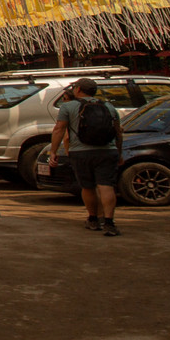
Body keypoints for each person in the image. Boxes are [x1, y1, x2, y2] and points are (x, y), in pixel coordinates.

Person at [51, 78, 124, 236]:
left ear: (78, 90)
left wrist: (53, 151)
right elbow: (118, 132)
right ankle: (109, 222)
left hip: (81, 152)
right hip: (107, 151)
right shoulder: (109, 106)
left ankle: (93, 219)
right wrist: (119, 152)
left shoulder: (68, 107)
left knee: (88, 186)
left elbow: (59, 129)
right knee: (106, 186)